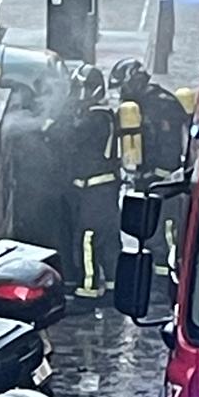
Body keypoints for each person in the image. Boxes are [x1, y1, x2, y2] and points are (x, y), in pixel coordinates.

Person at [67, 64, 121, 308]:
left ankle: (87, 290)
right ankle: (113, 287)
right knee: (109, 239)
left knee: (88, 237)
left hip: (96, 190)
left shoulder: (96, 118)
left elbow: (73, 136)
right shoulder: (106, 115)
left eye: (82, 89)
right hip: (105, 190)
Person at [108, 58, 189, 190]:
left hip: (157, 177)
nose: (120, 94)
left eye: (121, 88)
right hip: (164, 174)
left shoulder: (154, 105)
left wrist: (149, 174)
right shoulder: (161, 99)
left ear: (132, 82)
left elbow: (166, 144)